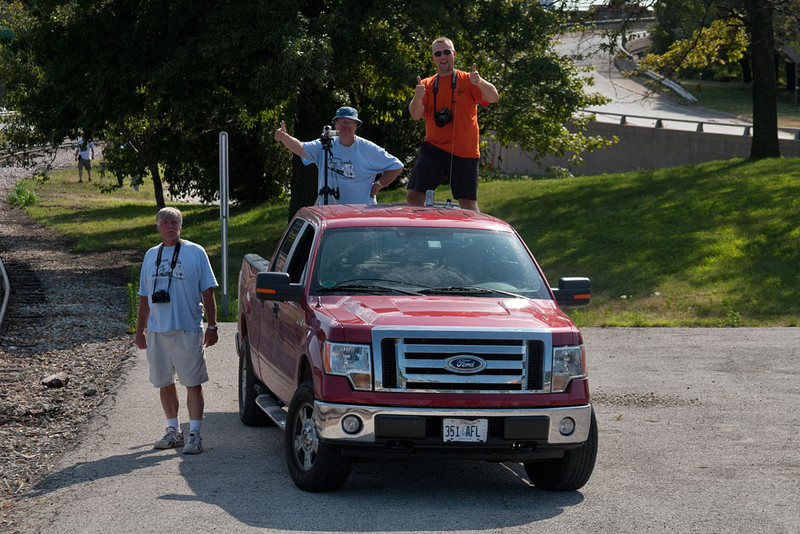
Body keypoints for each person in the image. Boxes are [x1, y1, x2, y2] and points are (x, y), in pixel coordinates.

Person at [134, 207, 219, 455]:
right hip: (158, 331)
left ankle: (194, 434)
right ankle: (173, 431)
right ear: (158, 227)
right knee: (164, 382)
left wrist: (212, 325)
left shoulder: (195, 252)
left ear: (180, 227)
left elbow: (208, 291)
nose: (170, 226)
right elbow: (143, 297)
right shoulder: (151, 255)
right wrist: (140, 331)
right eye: (165, 223)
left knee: (193, 382)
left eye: (174, 223)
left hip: (187, 328)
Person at [407, 37, 499, 212]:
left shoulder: (467, 80)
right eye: (438, 53)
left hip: (464, 150)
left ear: (454, 54)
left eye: (447, 52)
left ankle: (475, 237)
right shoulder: (426, 84)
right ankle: (423, 233)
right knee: (413, 195)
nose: (443, 56)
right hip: (434, 147)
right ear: (433, 58)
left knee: (467, 203)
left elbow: (494, 97)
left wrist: (480, 82)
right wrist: (417, 97)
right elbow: (415, 115)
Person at [274, 106, 404, 205]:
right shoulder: (325, 143)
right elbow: (302, 148)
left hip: (361, 214)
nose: (345, 126)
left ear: (356, 126)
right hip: (330, 215)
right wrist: (284, 138)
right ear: (335, 124)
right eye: (341, 122)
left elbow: (396, 166)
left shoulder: (367, 148)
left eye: (349, 122)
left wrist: (378, 185)